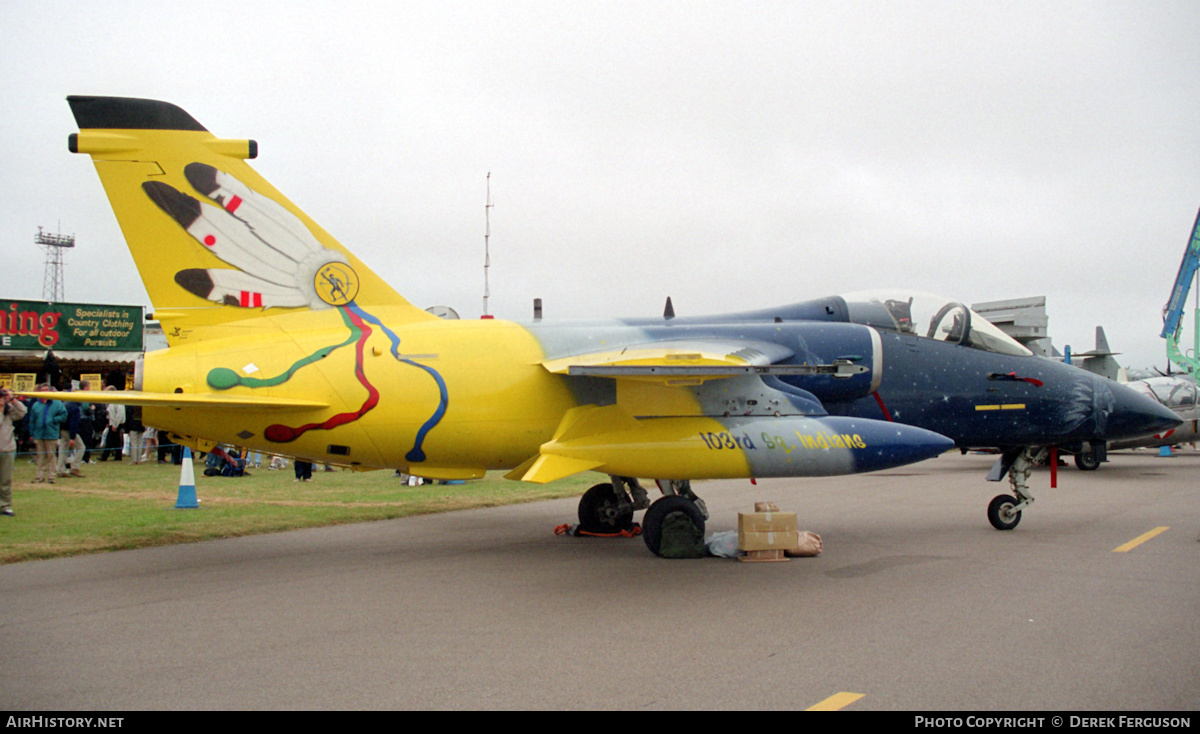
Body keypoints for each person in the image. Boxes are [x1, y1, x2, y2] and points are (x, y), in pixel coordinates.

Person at [28, 384, 67, 483]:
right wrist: (32, 433)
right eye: (42, 390)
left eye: (46, 389)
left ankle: (51, 477)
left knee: (51, 456)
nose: (44, 391)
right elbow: (31, 420)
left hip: (51, 433)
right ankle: (40, 477)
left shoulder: (57, 403)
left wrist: (54, 420)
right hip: (39, 434)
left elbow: (64, 414)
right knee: (40, 456)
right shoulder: (36, 405)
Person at [1, 386, 28, 516]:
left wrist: (12, 399)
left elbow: (22, 411)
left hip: (7, 449)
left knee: (5, 480)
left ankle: (5, 505)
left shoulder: (9, 411)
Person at [100, 386, 124, 462]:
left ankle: (105, 456)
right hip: (113, 423)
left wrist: (115, 425)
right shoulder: (112, 401)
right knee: (115, 441)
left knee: (111, 440)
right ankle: (117, 456)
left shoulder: (117, 401)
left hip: (115, 424)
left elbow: (119, 414)